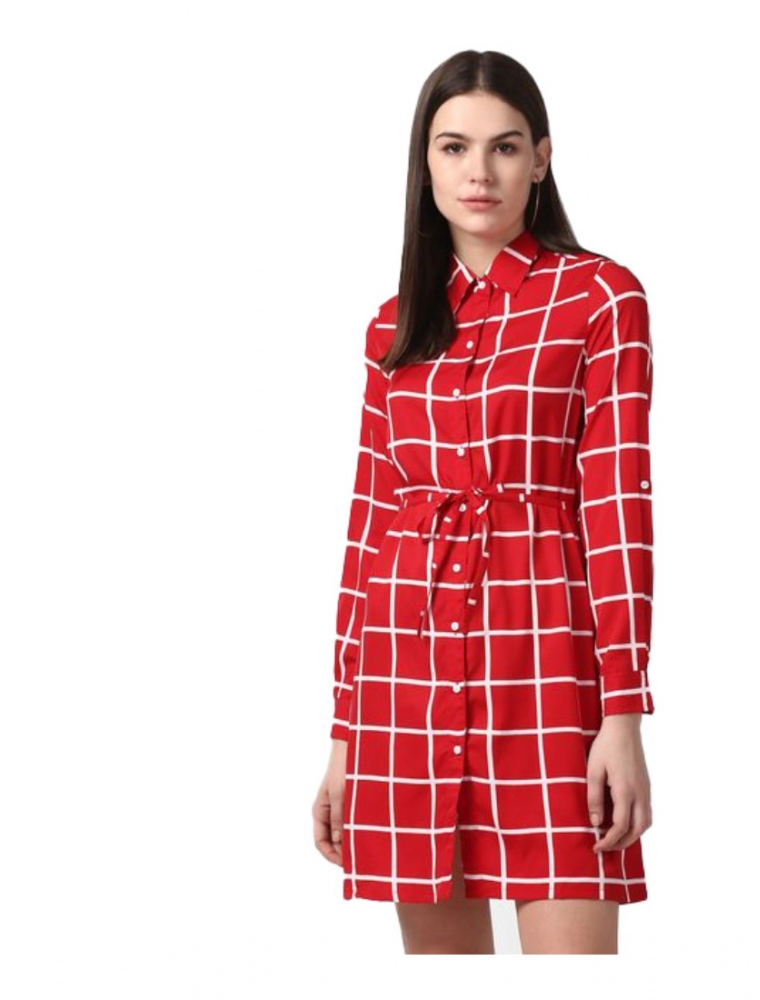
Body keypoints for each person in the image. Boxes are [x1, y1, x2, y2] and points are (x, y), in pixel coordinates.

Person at [313, 50, 655, 955]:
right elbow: (368, 530)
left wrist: (623, 715)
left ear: (540, 159)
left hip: (547, 675)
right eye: (453, 147)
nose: (479, 172)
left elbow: (617, 512)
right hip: (405, 685)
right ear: (424, 164)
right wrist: (346, 735)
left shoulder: (600, 299)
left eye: (504, 147)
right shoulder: (393, 327)